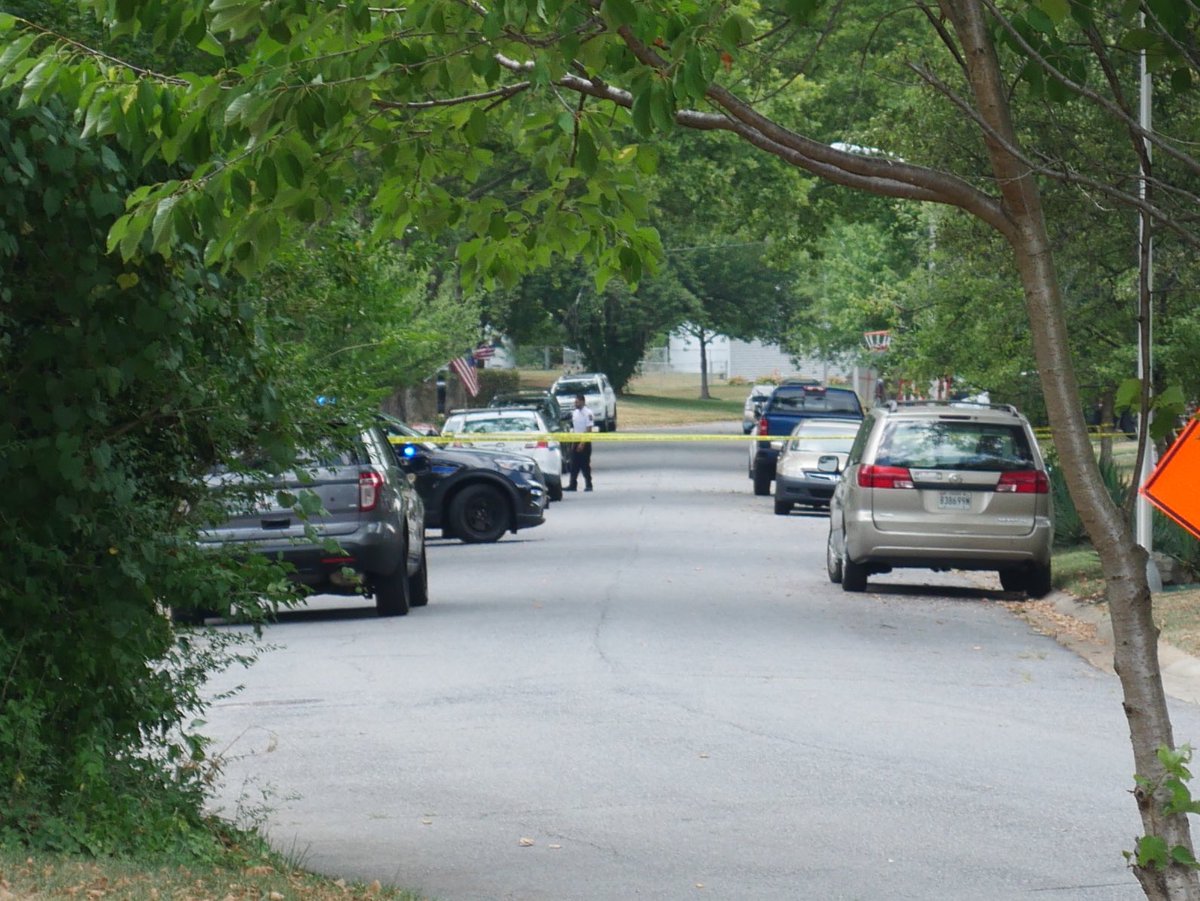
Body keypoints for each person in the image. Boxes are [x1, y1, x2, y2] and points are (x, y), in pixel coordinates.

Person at [567, 393, 594, 492]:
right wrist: (574, 443)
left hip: (585, 441)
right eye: (575, 402)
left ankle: (589, 484)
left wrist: (582, 443)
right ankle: (572, 485)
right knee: (573, 464)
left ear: (582, 401)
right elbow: (575, 429)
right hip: (576, 440)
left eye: (577, 402)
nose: (576, 404)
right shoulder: (575, 413)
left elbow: (589, 429)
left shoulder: (588, 413)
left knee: (585, 464)